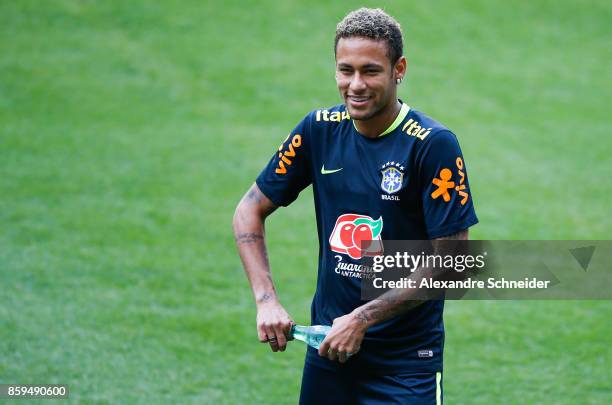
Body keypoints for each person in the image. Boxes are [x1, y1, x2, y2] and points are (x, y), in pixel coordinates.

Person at [233, 7, 478, 404]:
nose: (356, 85)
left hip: (405, 366)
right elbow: (248, 210)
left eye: (370, 71)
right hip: (329, 355)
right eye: (345, 71)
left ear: (399, 69)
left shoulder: (432, 145)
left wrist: (362, 320)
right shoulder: (319, 130)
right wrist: (266, 301)